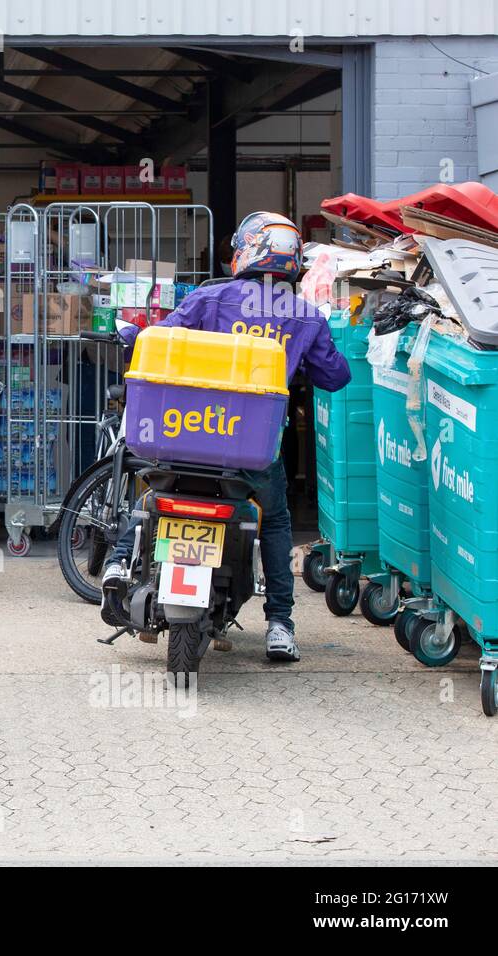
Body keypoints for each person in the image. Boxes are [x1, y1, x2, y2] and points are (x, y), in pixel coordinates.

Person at [102, 211, 352, 661]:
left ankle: (119, 560)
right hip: (253, 453)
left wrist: (132, 334)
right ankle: (279, 624)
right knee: (274, 520)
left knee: (152, 492)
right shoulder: (304, 316)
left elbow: (158, 341)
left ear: (246, 251)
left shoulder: (210, 298)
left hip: (188, 440)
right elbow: (336, 377)